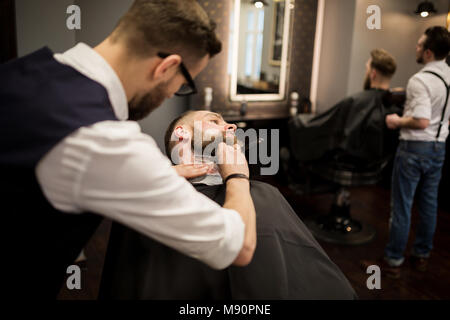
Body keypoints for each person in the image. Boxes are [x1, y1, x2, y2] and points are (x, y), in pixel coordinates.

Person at [0, 0, 257, 298]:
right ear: (167, 66)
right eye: (184, 84)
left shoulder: (25, 69)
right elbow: (239, 246)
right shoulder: (100, 137)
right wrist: (238, 177)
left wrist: (155, 176)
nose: (174, 93)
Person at [98, 110, 357, 300]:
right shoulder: (143, 197)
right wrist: (237, 178)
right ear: (182, 134)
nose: (231, 125)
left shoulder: (266, 195)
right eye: (214, 120)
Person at [363, 27, 450, 278]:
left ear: (429, 51)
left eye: (420, 45)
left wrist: (395, 121)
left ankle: (393, 260)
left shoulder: (420, 80)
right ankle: (421, 255)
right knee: (429, 205)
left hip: (414, 148)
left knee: (402, 206)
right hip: (439, 148)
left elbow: (421, 120)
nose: (416, 48)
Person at [289, 49, 401, 169]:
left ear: (373, 74)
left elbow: (326, 125)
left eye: (367, 69)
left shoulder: (355, 100)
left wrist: (298, 120)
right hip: (376, 166)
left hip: (345, 161)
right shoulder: (396, 105)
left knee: (296, 125)